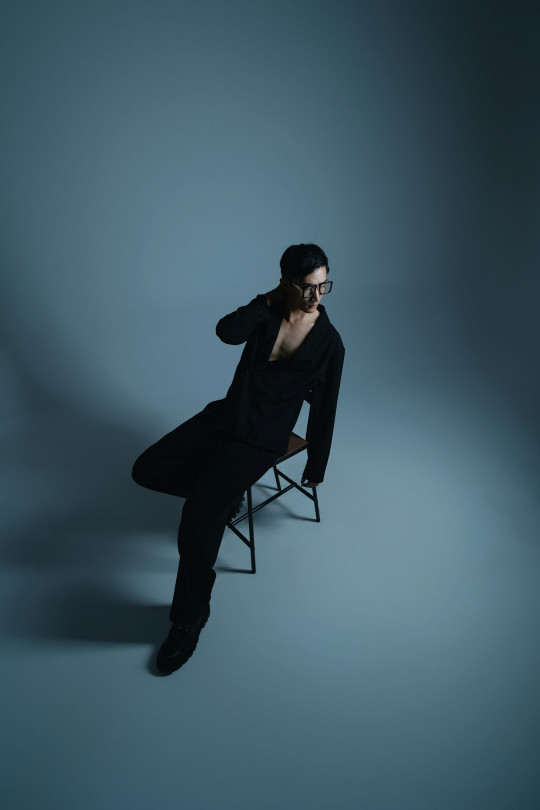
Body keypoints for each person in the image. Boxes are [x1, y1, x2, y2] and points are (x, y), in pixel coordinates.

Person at [132, 243, 345, 674]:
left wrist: (315, 465)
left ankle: (189, 618)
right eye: (307, 288)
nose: (316, 297)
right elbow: (226, 332)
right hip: (225, 416)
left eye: (324, 286)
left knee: (197, 519)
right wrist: (265, 300)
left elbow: (325, 408)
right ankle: (220, 497)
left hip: (261, 439)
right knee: (147, 468)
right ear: (285, 283)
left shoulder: (329, 343)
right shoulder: (266, 312)